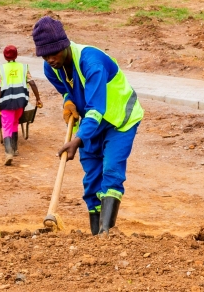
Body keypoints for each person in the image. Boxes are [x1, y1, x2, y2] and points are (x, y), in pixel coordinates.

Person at [33, 16, 142, 235]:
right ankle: (96, 236)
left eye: (53, 53)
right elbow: (67, 90)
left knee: (111, 171)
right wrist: (68, 102)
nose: (50, 59)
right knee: (92, 179)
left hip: (119, 119)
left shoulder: (91, 62)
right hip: (92, 124)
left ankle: (105, 234)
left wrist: (77, 140)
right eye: (45, 55)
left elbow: (96, 108)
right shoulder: (51, 69)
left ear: (64, 45)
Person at [0, 44, 43, 165]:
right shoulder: (23, 67)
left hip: (6, 102)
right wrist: (38, 99)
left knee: (6, 126)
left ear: (5, 57)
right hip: (21, 102)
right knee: (15, 122)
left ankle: (8, 152)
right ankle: (15, 149)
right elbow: (32, 83)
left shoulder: (2, 68)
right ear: (16, 55)